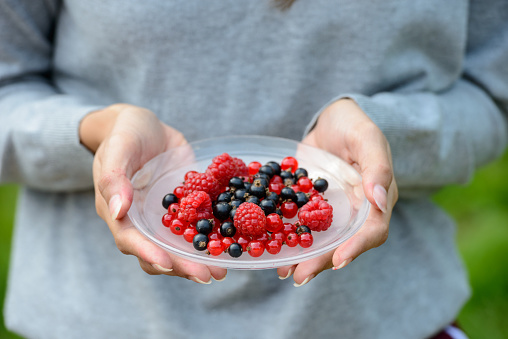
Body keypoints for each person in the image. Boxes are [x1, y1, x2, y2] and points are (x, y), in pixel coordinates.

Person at [0, 0, 506, 338]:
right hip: (99, 319)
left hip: (382, 319)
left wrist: (385, 132)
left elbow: (492, 96)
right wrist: (98, 131)